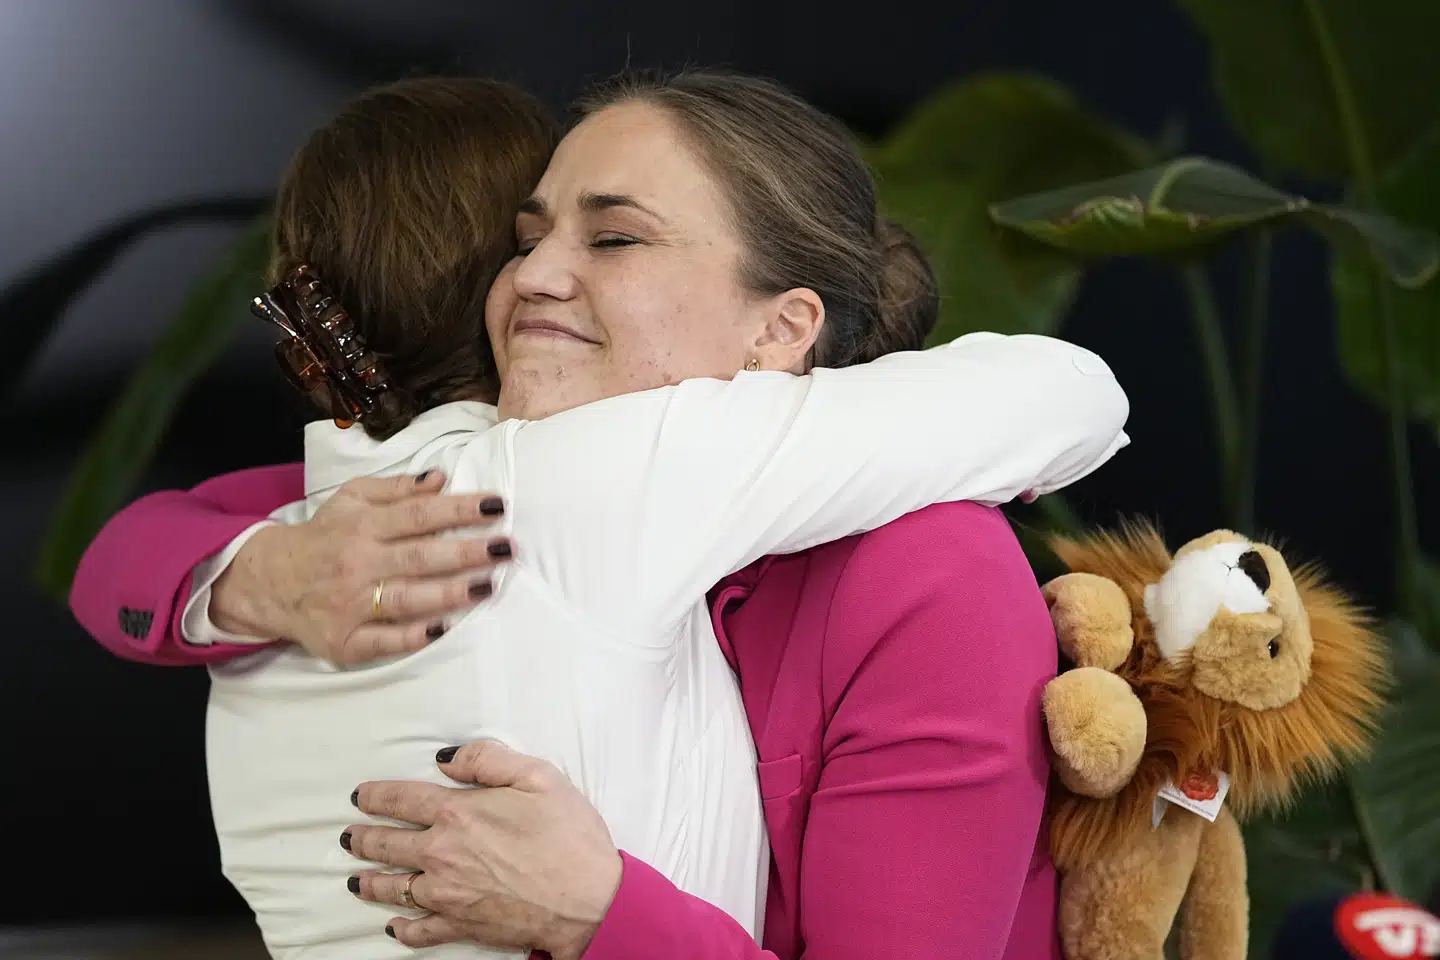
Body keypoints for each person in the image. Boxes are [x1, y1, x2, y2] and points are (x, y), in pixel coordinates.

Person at [71, 70, 1128, 960]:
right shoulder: (479, 489)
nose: (533, 275)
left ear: (781, 330)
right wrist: (263, 577)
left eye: (614, 239)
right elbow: (131, 555)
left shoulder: (926, 574)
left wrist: (596, 913)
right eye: (524, 240)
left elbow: (1062, 395)